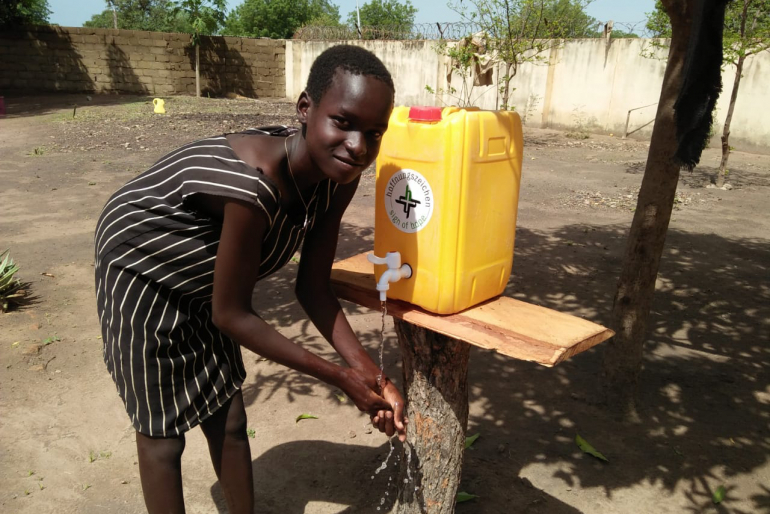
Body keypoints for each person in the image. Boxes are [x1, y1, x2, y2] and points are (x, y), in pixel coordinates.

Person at [94, 44, 407, 514]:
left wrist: (372, 375)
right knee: (163, 436)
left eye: (374, 132)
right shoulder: (253, 186)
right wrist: (341, 377)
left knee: (228, 415)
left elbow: (313, 288)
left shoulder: (339, 178)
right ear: (305, 108)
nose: (359, 146)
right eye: (343, 122)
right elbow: (232, 314)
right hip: (141, 266)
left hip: (208, 277)